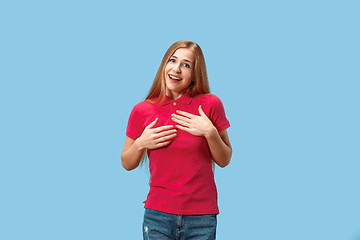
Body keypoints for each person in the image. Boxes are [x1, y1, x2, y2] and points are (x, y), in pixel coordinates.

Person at [121, 40, 232, 240]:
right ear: (164, 64)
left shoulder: (210, 104)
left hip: (202, 217)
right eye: (173, 61)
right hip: (157, 216)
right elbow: (127, 163)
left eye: (186, 65)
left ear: (195, 75)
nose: (177, 69)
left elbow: (224, 159)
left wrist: (210, 132)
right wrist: (140, 143)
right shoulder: (142, 110)